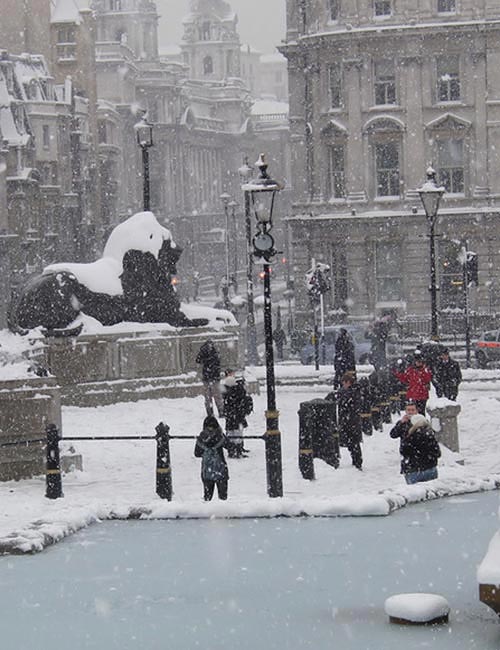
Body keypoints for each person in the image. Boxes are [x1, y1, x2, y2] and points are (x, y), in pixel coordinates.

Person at [390, 409, 441, 484]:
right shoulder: (429, 434)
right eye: (408, 410)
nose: (410, 412)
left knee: (416, 492)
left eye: (412, 410)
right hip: (429, 468)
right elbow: (437, 452)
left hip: (413, 470)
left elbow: (404, 451)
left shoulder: (409, 437)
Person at [194, 416, 231, 501]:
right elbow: (230, 447)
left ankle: (207, 512)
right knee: (223, 498)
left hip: (207, 471)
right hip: (220, 469)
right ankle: (223, 512)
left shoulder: (202, 436)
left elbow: (197, 453)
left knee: (207, 497)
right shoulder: (220, 436)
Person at [331, 371, 363, 470]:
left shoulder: (353, 392)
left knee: (353, 442)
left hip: (351, 421)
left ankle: (357, 462)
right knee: (352, 443)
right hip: (348, 420)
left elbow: (350, 404)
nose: (343, 384)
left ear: (348, 382)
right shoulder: (347, 392)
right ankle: (356, 461)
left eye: (344, 382)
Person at [221, 369, 253, 458]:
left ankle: (232, 450)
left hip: (230, 415)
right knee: (238, 432)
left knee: (231, 432)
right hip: (237, 415)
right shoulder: (239, 390)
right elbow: (243, 400)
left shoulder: (226, 391)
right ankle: (238, 450)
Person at [392, 350, 432, 415]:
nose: (418, 363)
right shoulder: (411, 370)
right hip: (414, 394)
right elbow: (405, 378)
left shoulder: (424, 370)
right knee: (412, 413)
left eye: (420, 362)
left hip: (421, 395)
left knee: (420, 412)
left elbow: (427, 379)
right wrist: (397, 374)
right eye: (417, 361)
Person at [196, 339, 224, 417]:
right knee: (210, 397)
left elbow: (217, 363)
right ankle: (213, 412)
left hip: (212, 377)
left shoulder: (214, 353)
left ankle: (218, 411)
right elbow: (198, 360)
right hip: (209, 377)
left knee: (215, 396)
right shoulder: (205, 353)